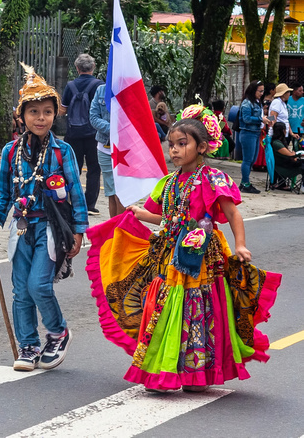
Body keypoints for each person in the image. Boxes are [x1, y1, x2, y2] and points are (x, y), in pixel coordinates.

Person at [86, 105, 281, 393]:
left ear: (202, 147)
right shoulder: (167, 183)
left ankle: (195, 371)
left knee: (198, 309)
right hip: (168, 254)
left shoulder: (212, 179)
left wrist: (240, 244)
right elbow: (164, 217)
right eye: (171, 145)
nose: (175, 150)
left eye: (182, 144)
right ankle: (161, 368)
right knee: (164, 306)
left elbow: (232, 214)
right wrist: (140, 214)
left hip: (200, 257)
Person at [0, 67, 89, 371]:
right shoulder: (10, 151)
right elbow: (3, 194)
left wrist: (79, 231)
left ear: (55, 115)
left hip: (50, 229)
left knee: (39, 285)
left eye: (46, 112)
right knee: (20, 289)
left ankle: (58, 332)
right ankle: (27, 345)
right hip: (20, 227)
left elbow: (75, 195)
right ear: (22, 117)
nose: (40, 118)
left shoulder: (62, 151)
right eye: (33, 112)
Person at [61, 53, 103, 216]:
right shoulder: (99, 86)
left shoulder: (70, 86)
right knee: (94, 169)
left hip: (73, 134)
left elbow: (63, 108)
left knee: (72, 168)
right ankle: (90, 205)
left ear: (77, 68)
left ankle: (71, 201)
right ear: (93, 67)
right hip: (94, 134)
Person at [90, 84, 125, 218]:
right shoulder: (101, 90)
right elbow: (93, 118)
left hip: (126, 148)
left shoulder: (130, 88)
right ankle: (114, 229)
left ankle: (122, 231)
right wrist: (114, 128)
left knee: (121, 193)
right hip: (105, 148)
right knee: (111, 192)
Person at [239, 80, 271, 193]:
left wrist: (266, 119)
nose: (262, 93)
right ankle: (245, 184)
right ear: (253, 90)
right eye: (260, 91)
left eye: (263, 91)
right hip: (248, 133)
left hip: (255, 133)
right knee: (248, 160)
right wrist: (260, 119)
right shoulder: (247, 103)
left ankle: (244, 182)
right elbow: (246, 119)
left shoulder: (257, 102)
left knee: (252, 160)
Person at [271, 121, 304, 193]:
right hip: (284, 166)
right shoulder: (276, 143)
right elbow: (290, 154)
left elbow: (290, 153)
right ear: (283, 131)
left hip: (286, 162)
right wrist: (295, 154)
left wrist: (293, 154)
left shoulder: (279, 142)